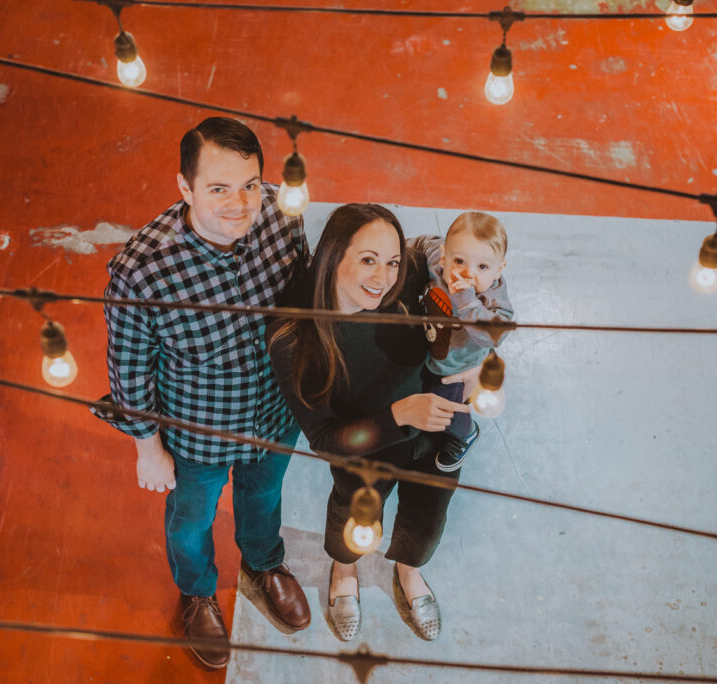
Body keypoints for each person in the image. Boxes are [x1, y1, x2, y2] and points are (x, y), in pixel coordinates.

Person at [94, 117, 311, 669]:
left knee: (263, 499)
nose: (239, 204)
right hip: (198, 432)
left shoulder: (283, 224)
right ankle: (196, 593)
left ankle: (263, 566)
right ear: (184, 188)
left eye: (250, 184)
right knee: (192, 518)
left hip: (272, 414)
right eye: (218, 188)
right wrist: (148, 446)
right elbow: (129, 368)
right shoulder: (142, 271)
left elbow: (305, 308)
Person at [267, 203, 474, 642]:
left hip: (437, 436)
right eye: (367, 260)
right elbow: (324, 438)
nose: (382, 279)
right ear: (332, 257)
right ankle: (344, 572)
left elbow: (444, 252)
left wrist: (478, 363)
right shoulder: (295, 338)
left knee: (428, 511)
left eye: (392, 261)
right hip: (364, 452)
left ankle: (409, 572)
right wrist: (398, 416)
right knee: (353, 515)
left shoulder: (409, 281)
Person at [410, 211, 514, 472]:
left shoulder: (492, 298)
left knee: (448, 411)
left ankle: (465, 435)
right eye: (459, 261)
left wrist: (467, 301)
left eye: (483, 267)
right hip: (426, 348)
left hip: (456, 370)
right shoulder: (439, 261)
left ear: (498, 269)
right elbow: (425, 242)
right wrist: (403, 250)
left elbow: (496, 334)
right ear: (445, 256)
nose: (468, 273)